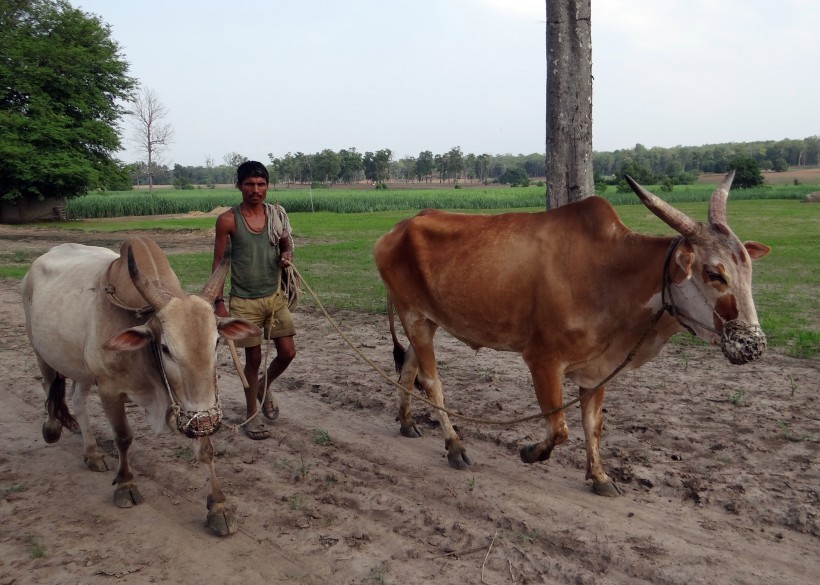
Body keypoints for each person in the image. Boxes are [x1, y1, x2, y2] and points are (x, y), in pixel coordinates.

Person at [212, 161, 296, 440]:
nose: (255, 190)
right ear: (238, 186)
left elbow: (285, 244)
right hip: (244, 302)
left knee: (287, 353)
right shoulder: (227, 220)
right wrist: (218, 301)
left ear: (267, 186)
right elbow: (219, 262)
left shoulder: (277, 215)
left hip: (274, 297)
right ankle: (252, 415)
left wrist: (286, 257)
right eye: (249, 184)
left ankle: (262, 386)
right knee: (253, 359)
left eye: (261, 184)